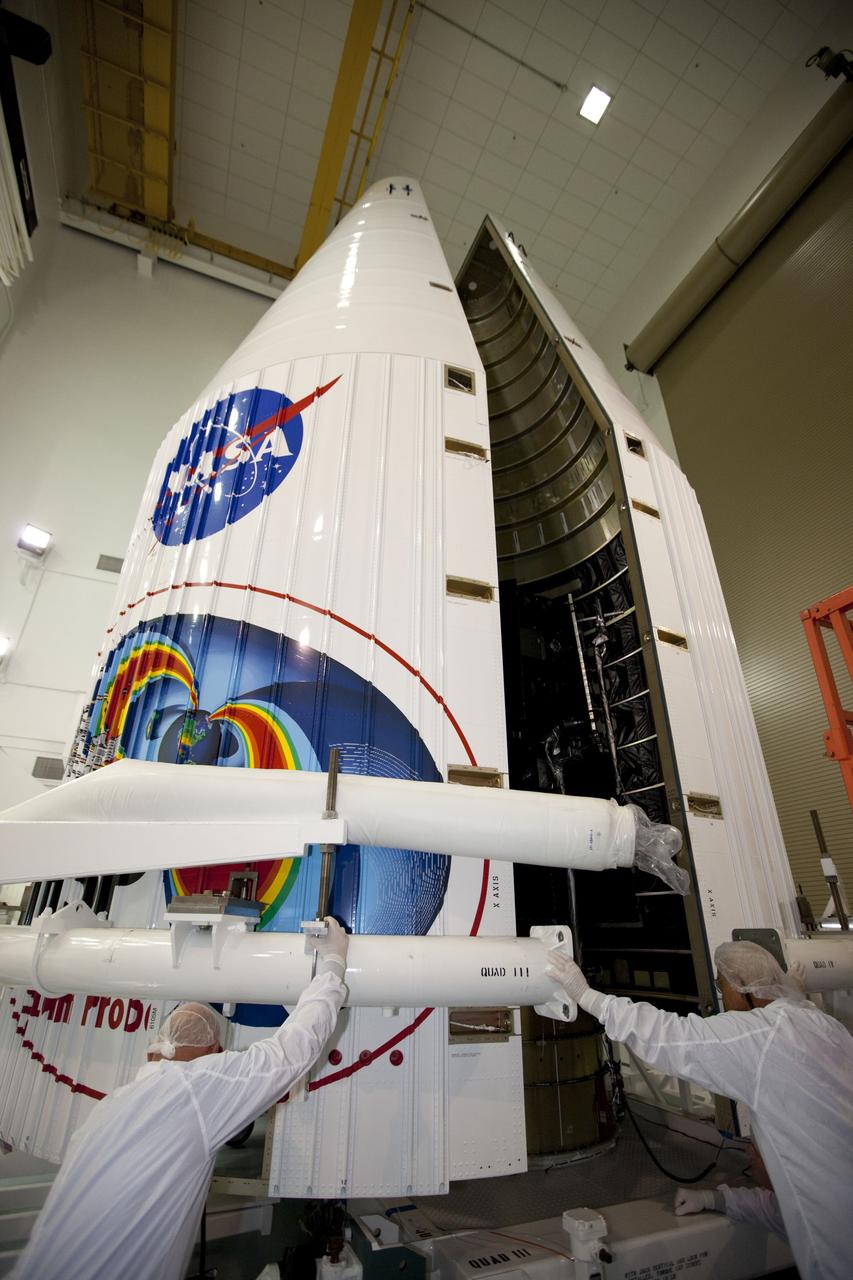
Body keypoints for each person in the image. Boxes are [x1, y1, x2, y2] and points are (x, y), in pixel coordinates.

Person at [12, 918, 349, 1280]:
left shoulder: (109, 1108)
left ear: (153, 1050)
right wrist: (332, 963)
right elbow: (289, 1053)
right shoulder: (196, 1089)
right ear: (214, 1052)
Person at [547, 939, 853, 1280]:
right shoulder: (826, 1027)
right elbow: (791, 1204)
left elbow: (671, 1037)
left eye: (723, 989)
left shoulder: (759, 1036)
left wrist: (588, 997)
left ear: (742, 989)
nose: (724, 1001)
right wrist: (716, 1200)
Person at [674, 1142, 787, 1241]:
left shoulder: (801, 1210)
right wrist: (709, 1198)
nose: (748, 1151)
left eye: (758, 1144)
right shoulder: (788, 1203)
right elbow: (763, 1206)